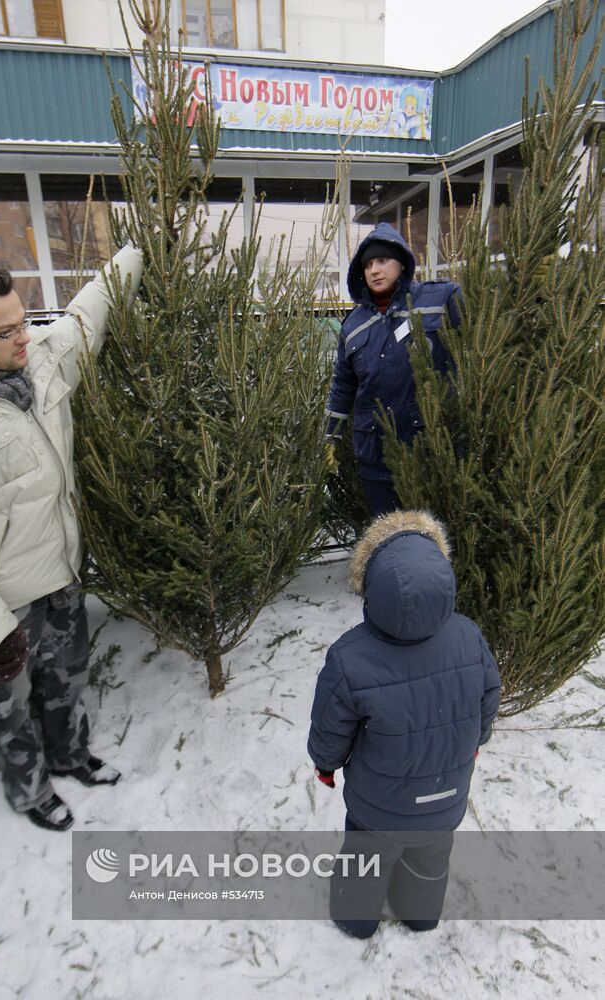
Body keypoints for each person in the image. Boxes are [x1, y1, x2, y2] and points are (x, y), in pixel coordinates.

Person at [0, 244, 143, 831]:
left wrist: (140, 251)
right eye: (4, 332)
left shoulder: (41, 360)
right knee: (7, 710)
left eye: (23, 319)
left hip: (61, 577)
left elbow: (88, 311)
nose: (22, 336)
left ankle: (70, 755)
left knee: (66, 681)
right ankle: (28, 791)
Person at [308, 510, 500, 938]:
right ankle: (420, 916)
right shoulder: (469, 636)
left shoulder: (349, 657)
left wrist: (325, 764)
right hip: (446, 800)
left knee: (364, 865)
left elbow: (331, 729)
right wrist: (475, 741)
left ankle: (355, 922)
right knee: (429, 860)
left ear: (369, 586)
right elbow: (489, 700)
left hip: (378, 808)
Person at [325, 222, 463, 516]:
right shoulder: (353, 325)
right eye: (369, 264)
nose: (375, 270)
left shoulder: (440, 299)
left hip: (429, 450)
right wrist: (330, 437)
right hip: (376, 455)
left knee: (430, 540)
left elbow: (484, 338)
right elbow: (344, 385)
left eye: (383, 261)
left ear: (401, 263)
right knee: (387, 537)